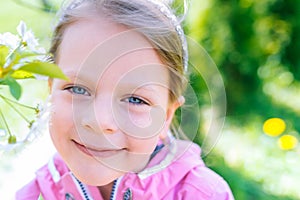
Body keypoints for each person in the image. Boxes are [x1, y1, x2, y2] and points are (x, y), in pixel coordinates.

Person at [16, 0, 234, 199]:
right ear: (51, 89)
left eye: (136, 100)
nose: (100, 122)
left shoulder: (205, 195)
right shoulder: (35, 194)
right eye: (78, 89)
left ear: (166, 116)